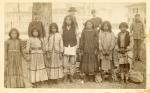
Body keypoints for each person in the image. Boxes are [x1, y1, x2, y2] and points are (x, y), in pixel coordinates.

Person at [62, 15, 78, 83]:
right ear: (65, 21)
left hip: (73, 46)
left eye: (70, 20)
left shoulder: (75, 28)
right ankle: (65, 76)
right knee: (65, 63)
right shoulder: (63, 28)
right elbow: (61, 38)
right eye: (67, 20)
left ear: (72, 21)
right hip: (65, 46)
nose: (68, 21)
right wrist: (62, 47)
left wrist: (77, 47)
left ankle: (71, 76)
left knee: (72, 62)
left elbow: (77, 38)